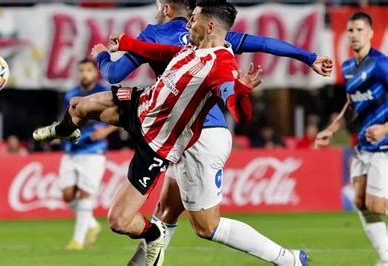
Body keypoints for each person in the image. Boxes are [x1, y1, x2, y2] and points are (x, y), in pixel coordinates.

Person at [35, 1, 306, 265]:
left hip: (183, 138)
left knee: (206, 226)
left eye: (194, 17)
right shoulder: (192, 45)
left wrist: (242, 92)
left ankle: (288, 260)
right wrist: (129, 44)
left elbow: (240, 111)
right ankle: (65, 131)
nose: (188, 21)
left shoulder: (222, 64)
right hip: (144, 107)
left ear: (210, 26)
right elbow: (165, 54)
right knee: (163, 211)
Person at [315, 12, 387, 266]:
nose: (354, 35)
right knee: (360, 203)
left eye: (359, 30)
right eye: (350, 30)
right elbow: (351, 106)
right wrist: (330, 130)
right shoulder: (347, 67)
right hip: (364, 146)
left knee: (377, 206)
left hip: (384, 146)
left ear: (370, 33)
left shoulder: (381, 64)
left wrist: (385, 129)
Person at [56, 58, 116, 251]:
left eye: (88, 70)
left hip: (94, 150)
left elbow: (120, 116)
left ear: (95, 72)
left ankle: (78, 241)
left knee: (84, 194)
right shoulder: (71, 95)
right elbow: (66, 118)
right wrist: (58, 132)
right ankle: (91, 224)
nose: (84, 74)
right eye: (81, 70)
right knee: (67, 194)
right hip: (71, 149)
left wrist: (105, 132)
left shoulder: (104, 93)